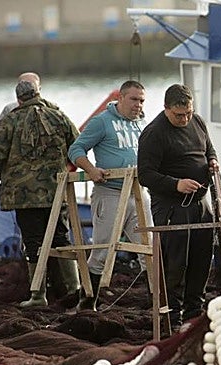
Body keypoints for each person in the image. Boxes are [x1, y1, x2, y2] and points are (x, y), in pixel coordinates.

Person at [0, 80, 81, 307]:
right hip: (56, 191)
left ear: (19, 99)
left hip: (23, 195)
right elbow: (78, 145)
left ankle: (38, 295)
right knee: (61, 238)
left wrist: (5, 175)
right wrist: (63, 167)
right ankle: (74, 289)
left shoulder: (10, 120)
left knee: (32, 241)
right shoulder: (58, 116)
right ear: (38, 93)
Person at [138, 84, 219, 332]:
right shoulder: (154, 133)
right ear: (166, 109)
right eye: (178, 115)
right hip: (171, 206)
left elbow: (208, 149)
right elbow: (145, 175)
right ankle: (172, 315)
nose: (184, 119)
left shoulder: (198, 122)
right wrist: (176, 184)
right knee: (176, 263)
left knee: (202, 256)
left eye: (188, 114)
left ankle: (194, 312)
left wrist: (213, 161)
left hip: (200, 202)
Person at [68, 80, 151, 311]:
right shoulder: (102, 121)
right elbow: (75, 149)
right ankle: (88, 302)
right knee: (103, 251)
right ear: (121, 98)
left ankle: (157, 301)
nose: (138, 105)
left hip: (138, 193)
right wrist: (91, 170)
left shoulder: (142, 123)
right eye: (134, 99)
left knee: (150, 249)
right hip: (111, 193)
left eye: (142, 100)